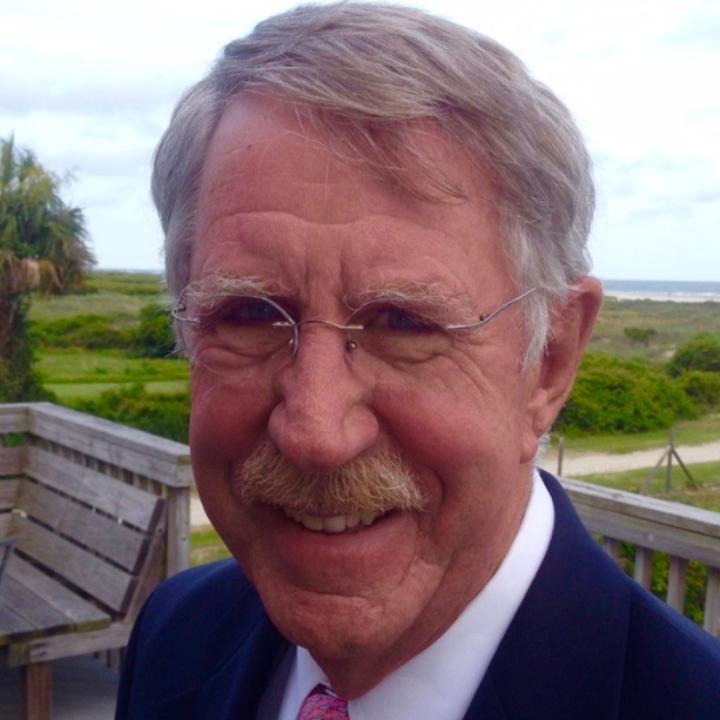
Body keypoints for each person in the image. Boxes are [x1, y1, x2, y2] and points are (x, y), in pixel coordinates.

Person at [116, 3, 720, 718]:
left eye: (403, 323)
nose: (315, 431)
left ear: (550, 361)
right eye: (247, 314)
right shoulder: (175, 633)